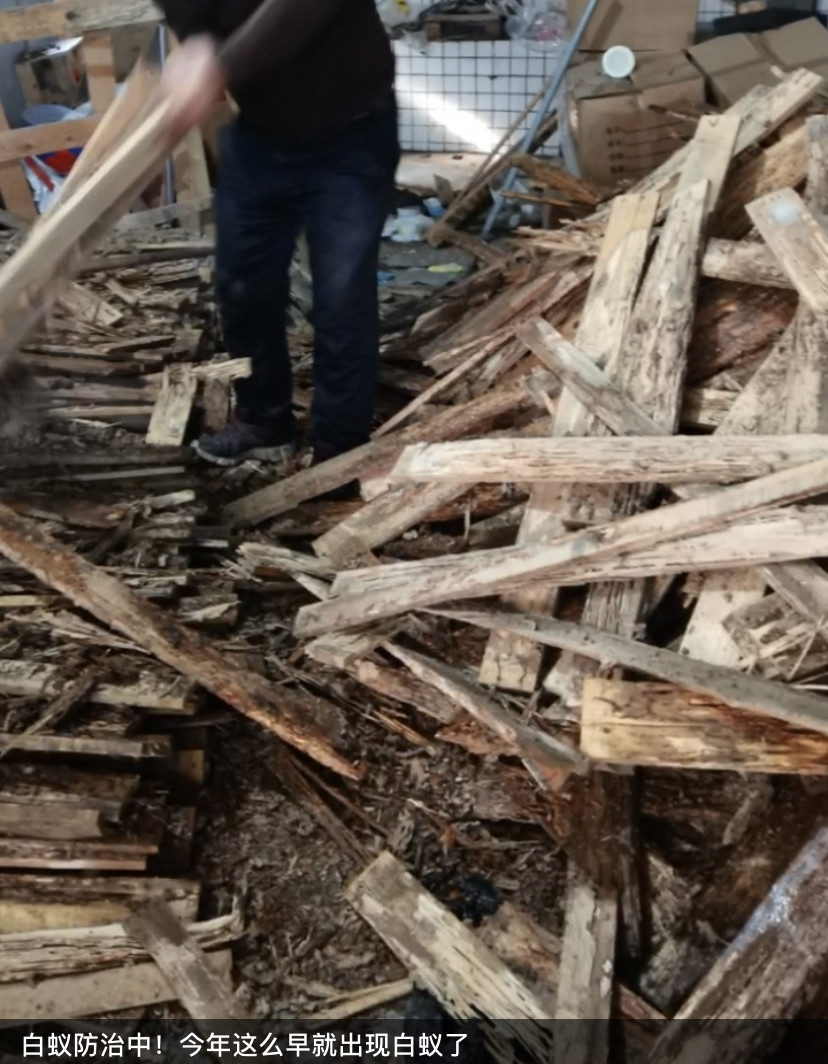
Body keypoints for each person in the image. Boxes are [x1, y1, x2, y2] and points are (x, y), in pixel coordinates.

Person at [156, 0, 399, 480]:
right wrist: (197, 47)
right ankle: (264, 422)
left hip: (352, 135)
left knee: (342, 297)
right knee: (242, 286)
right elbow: (193, 23)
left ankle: (339, 447)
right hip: (261, 138)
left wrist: (219, 66)